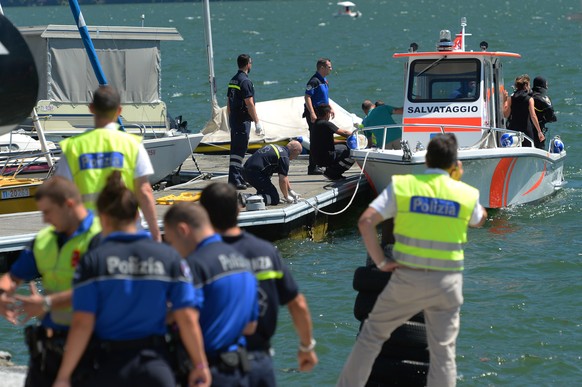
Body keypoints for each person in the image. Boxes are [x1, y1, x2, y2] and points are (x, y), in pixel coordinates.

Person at [337, 134, 487, 387]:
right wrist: (456, 181)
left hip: (408, 276)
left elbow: (365, 222)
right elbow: (480, 219)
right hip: (446, 281)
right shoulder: (465, 193)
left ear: (426, 160)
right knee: (443, 353)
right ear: (455, 164)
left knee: (372, 336)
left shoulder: (403, 186)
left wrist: (381, 262)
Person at [52, 171, 210, 387]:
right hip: (155, 366)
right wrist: (200, 366)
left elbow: (82, 323)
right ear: (137, 216)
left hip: (108, 367)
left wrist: (64, 375)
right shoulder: (168, 257)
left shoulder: (94, 261)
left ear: (102, 217)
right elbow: (187, 317)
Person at [200, 182, 318, 386]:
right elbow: (297, 303)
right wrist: (306, 347)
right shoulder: (265, 251)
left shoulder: (200, 258)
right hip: (259, 364)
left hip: (216, 366)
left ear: (203, 214)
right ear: (240, 209)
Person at [0, 177, 101, 387]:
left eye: (47, 212)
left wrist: (47, 303)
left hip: (95, 345)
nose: (44, 220)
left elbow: (102, 290)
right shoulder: (45, 240)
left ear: (69, 205)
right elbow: (14, 276)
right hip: (50, 345)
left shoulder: (102, 238)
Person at [163, 202, 258, 387]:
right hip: (239, 372)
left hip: (205, 372)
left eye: (171, 242)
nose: (173, 249)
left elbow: (187, 317)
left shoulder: (193, 265)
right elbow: (250, 326)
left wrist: (200, 365)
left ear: (183, 230)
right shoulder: (243, 262)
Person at [54, 85, 161, 242]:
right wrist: (156, 235)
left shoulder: (73, 147)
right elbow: (144, 191)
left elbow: (61, 195)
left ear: (91, 108)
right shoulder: (132, 144)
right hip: (127, 232)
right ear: (119, 111)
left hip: (88, 235)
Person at [227, 54, 261, 190]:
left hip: (235, 118)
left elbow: (228, 101)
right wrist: (257, 121)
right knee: (239, 149)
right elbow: (249, 103)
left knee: (238, 148)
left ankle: (238, 177)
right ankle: (234, 180)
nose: (251, 65)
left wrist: (230, 117)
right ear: (247, 64)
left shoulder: (233, 80)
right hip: (242, 119)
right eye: (251, 63)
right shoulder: (245, 81)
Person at [240, 140, 302, 206]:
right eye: (297, 155)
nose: (295, 158)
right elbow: (282, 180)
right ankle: (246, 198)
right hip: (255, 173)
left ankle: (255, 197)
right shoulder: (284, 157)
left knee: (266, 193)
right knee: (274, 198)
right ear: (295, 150)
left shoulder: (278, 149)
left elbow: (285, 176)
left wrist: (290, 190)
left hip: (246, 170)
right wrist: (286, 196)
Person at [303, 58, 334, 176]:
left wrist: (330, 108)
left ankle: (322, 163)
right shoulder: (314, 81)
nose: (331, 69)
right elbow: (307, 97)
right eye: (329, 67)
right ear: (322, 68)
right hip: (315, 113)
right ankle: (312, 166)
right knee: (315, 139)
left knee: (323, 138)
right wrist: (312, 113)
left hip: (323, 112)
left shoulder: (324, 80)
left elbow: (324, 96)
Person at [311, 103, 354, 181]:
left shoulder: (315, 124)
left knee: (344, 146)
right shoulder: (326, 124)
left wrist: (344, 141)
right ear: (327, 113)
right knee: (352, 154)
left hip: (316, 157)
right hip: (325, 157)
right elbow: (344, 133)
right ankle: (333, 173)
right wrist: (357, 135)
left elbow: (326, 141)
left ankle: (332, 169)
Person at [503, 74, 545, 148]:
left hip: (513, 129)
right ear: (526, 86)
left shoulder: (511, 99)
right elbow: (533, 116)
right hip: (526, 130)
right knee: (528, 148)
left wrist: (505, 100)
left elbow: (506, 115)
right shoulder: (529, 99)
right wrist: (539, 131)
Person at [531, 76, 557, 150]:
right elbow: (552, 117)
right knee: (539, 148)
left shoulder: (528, 96)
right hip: (538, 130)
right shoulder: (543, 99)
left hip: (526, 129)